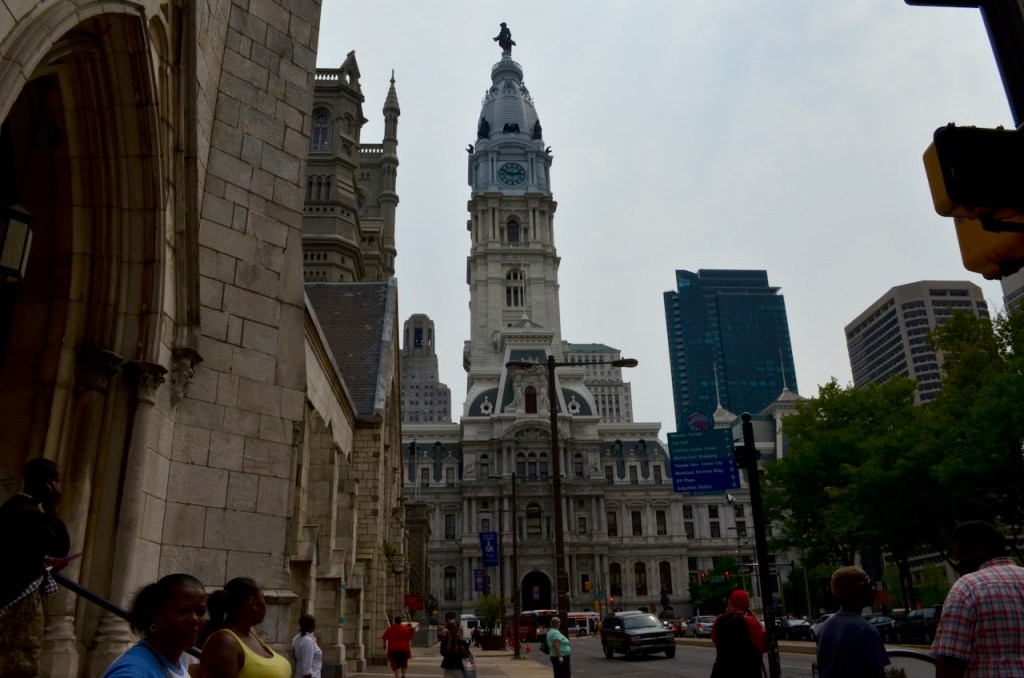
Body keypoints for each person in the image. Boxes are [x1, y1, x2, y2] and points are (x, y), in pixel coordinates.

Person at [0, 458, 73, 678]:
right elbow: (61, 546)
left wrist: (42, 562)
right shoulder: (29, 513)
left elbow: (16, 552)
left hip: (11, 595)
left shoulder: (10, 508)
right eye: (57, 483)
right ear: (48, 484)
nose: (58, 489)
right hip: (20, 602)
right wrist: (52, 509)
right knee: (20, 662)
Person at [933, 520, 1024, 678]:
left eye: (959, 556)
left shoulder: (967, 588)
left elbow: (950, 662)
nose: (958, 564)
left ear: (977, 552)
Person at [102, 574, 207, 678]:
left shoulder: (174, 661)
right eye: (183, 610)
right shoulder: (134, 670)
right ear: (156, 615)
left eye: (201, 612)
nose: (195, 619)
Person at [196, 577, 291, 678]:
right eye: (263, 598)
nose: (265, 605)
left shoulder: (251, 632)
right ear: (253, 602)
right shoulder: (225, 642)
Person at [815, 566, 890, 678]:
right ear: (855, 588)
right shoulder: (867, 630)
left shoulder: (824, 628)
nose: (874, 589)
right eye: (869, 583)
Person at [710, 589, 767, 678]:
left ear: (730, 603)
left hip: (721, 671)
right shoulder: (750, 622)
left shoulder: (719, 620)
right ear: (747, 605)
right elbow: (764, 645)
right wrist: (756, 619)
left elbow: (714, 639)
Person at [291, 614, 322, 678]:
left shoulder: (297, 638)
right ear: (312, 626)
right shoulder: (307, 641)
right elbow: (307, 669)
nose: (315, 625)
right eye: (314, 623)